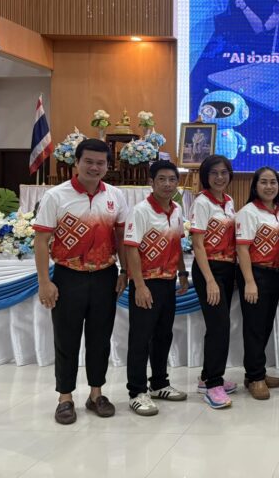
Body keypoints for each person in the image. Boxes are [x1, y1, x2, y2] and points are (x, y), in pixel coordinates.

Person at [33, 138, 128, 424]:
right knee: (67, 338)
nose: (94, 167)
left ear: (108, 166)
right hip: (68, 276)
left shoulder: (115, 196)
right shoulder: (56, 196)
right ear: (77, 162)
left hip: (105, 276)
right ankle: (65, 398)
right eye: (88, 161)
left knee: (100, 338)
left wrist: (124, 271)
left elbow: (120, 237)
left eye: (101, 163)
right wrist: (44, 282)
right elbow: (41, 240)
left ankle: (96, 394)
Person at [123, 160, 189, 416]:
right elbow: (131, 249)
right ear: (151, 182)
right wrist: (139, 285)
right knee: (140, 338)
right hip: (146, 283)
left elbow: (177, 244)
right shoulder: (140, 211)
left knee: (163, 335)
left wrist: (182, 273)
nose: (167, 184)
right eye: (161, 179)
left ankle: (159, 383)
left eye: (172, 180)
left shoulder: (177, 210)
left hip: (168, 281)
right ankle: (137, 392)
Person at [190, 154, 237, 409]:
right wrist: (209, 280)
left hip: (227, 269)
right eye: (214, 173)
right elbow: (198, 245)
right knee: (220, 327)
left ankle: (206, 376)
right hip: (209, 269)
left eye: (224, 173)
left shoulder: (228, 201)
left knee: (217, 325)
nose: (219, 177)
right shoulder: (202, 202)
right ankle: (214, 385)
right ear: (205, 176)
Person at [235, 166, 279, 400]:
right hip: (255, 274)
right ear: (255, 186)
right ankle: (255, 378)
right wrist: (249, 281)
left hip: (275, 274)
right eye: (263, 182)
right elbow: (242, 249)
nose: (269, 186)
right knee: (254, 327)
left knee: (265, 325)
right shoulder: (248, 212)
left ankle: (257, 372)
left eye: (273, 182)